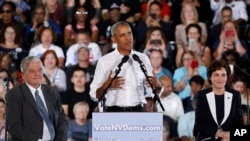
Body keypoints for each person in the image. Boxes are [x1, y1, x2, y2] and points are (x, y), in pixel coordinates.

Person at [90, 21, 161, 112]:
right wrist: (105, 86)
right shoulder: (104, 61)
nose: (128, 38)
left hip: (138, 111)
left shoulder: (143, 58)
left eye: (129, 33)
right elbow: (94, 95)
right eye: (123, 35)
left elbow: (153, 92)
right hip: (114, 112)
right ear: (114, 39)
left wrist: (158, 87)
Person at [5, 56, 68, 141]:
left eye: (40, 70)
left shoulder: (52, 92)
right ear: (23, 75)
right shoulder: (14, 95)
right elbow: (14, 127)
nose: (37, 74)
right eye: (32, 71)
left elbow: (62, 120)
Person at [194, 60, 244, 141]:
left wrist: (229, 136)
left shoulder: (235, 95)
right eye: (216, 75)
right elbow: (200, 123)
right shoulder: (202, 95)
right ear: (210, 77)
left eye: (223, 75)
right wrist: (220, 133)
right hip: (207, 138)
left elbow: (239, 122)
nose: (220, 78)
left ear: (227, 77)